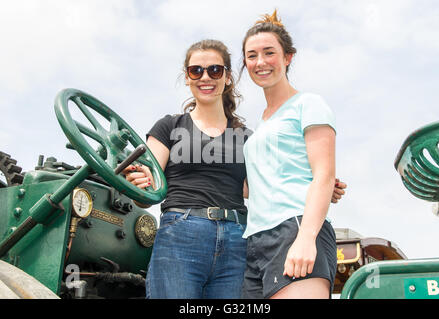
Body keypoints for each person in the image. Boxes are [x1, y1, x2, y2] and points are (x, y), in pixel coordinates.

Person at [124, 38, 346, 299]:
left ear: (228, 77)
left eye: (215, 70)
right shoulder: (169, 126)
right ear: (187, 77)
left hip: (237, 240)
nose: (205, 77)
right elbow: (145, 191)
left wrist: (318, 185)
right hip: (180, 235)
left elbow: (267, 184)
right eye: (196, 70)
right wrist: (138, 183)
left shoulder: (247, 138)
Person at [240, 10, 339, 299]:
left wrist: (306, 238)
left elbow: (324, 174)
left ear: (287, 57)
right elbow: (253, 186)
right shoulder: (261, 124)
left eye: (269, 53)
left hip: (294, 228)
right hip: (255, 240)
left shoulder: (309, 104)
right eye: (252, 55)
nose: (260, 62)